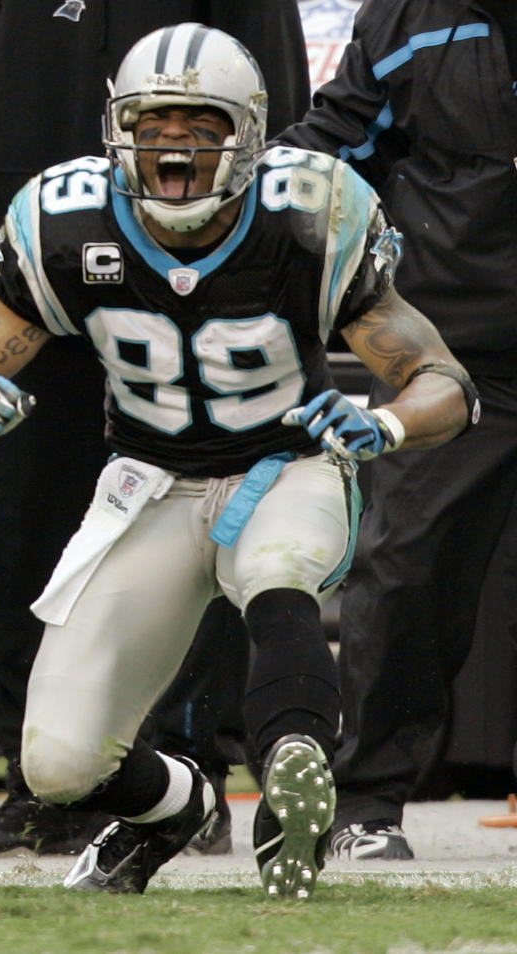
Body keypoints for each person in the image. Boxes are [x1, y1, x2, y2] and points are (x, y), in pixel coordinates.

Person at [0, 22, 474, 900]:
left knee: (279, 571)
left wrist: (384, 424)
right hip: (151, 487)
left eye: (201, 126)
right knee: (55, 762)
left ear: (246, 133)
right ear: (115, 127)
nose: (174, 144)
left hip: (285, 466)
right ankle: (175, 806)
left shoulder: (307, 211)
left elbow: (444, 382)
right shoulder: (67, 220)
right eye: (154, 122)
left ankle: (292, 774)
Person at [0, 0, 313, 860]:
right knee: (13, 524)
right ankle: (33, 782)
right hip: (44, 259)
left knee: (197, 507)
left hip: (194, 264)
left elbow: (279, 106)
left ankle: (191, 764)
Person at [279, 0, 517, 860]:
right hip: (457, 355)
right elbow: (329, 146)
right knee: (409, 573)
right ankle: (363, 809)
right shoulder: (410, 15)